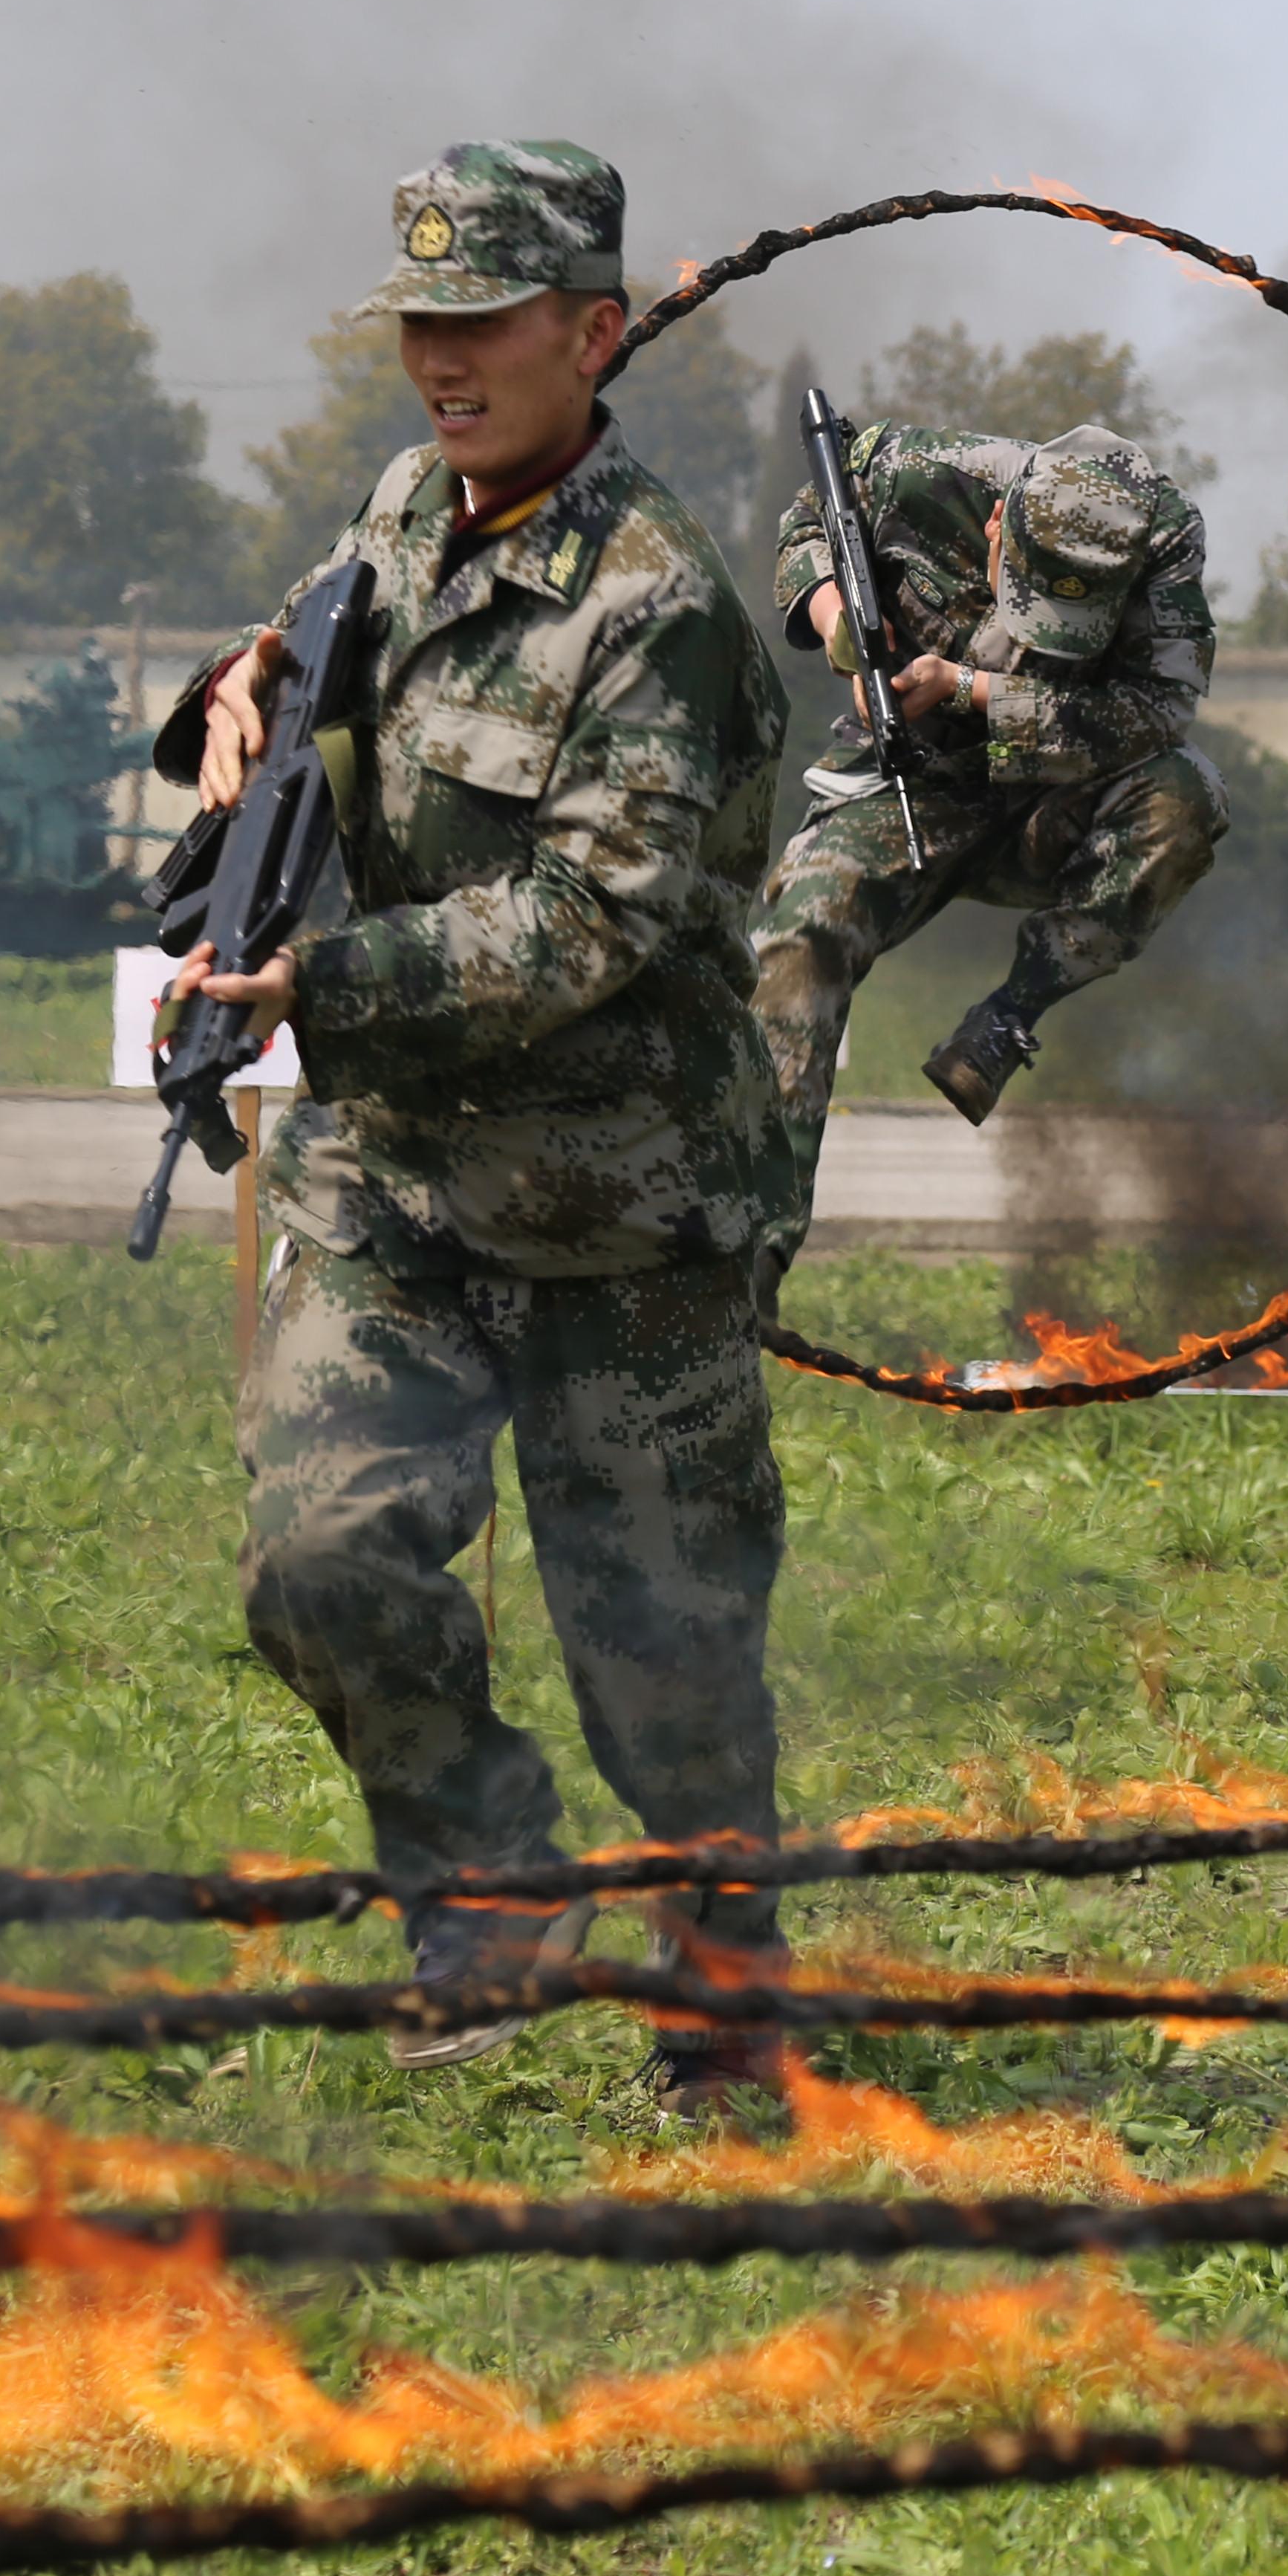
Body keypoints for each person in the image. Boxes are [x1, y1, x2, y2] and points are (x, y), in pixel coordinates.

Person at [155, 140, 795, 2091]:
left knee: (669, 1673)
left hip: (624, 1216)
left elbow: (595, 913)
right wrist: (240, 691)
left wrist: (323, 992)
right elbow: (318, 632)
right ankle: (493, 1887)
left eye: (481, 324)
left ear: (591, 335)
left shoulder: (660, 604)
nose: (441, 361)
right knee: (320, 1560)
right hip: (401, 1191)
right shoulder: (399, 512)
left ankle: (723, 1999)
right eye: (418, 325)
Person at [743, 414, 1223, 1302]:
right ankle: (748, 1250)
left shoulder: (1164, 539)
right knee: (801, 931)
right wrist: (839, 615)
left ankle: (1009, 1015)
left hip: (1056, 791)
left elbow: (1158, 712)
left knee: (1186, 798)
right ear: (999, 523)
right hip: (907, 778)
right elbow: (810, 518)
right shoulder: (918, 470)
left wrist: (968, 687)